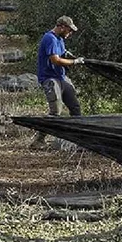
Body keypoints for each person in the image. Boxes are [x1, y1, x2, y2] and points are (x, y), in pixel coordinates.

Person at [30, 15, 85, 149]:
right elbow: (55, 60)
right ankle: (38, 140)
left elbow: (61, 54)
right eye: (69, 30)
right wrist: (74, 62)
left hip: (61, 77)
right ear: (61, 27)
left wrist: (68, 55)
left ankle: (78, 138)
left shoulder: (60, 39)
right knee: (55, 112)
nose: (70, 33)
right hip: (50, 79)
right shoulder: (50, 38)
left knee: (75, 108)